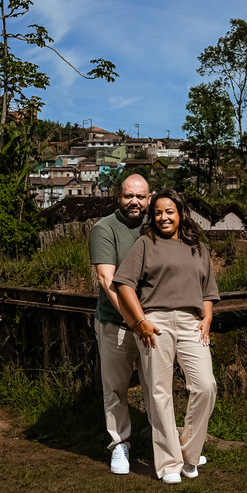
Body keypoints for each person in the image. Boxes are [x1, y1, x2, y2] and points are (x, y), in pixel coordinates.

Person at [112, 190, 219, 485]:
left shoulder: (197, 247)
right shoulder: (145, 243)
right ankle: (169, 463)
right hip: (155, 322)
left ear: (180, 213)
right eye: (158, 212)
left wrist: (207, 317)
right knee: (159, 393)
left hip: (191, 323)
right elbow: (124, 285)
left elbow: (208, 290)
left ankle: (188, 452)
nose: (164, 217)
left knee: (205, 386)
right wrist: (140, 322)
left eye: (169, 211)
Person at [89, 175, 151, 474]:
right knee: (115, 388)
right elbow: (106, 280)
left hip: (154, 324)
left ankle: (166, 446)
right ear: (119, 197)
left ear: (149, 199)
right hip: (117, 322)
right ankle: (120, 445)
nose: (134, 202)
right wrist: (134, 320)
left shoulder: (157, 225)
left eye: (140, 197)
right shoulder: (105, 228)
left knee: (158, 388)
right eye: (129, 196)